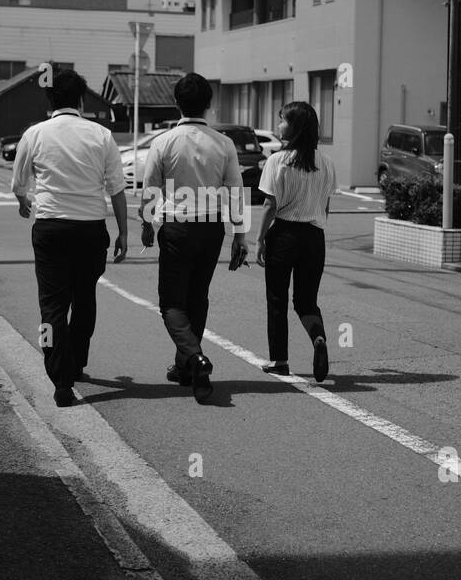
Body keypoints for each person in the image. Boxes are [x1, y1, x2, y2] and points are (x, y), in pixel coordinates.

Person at [11, 69, 128, 407]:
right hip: (91, 228)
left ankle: (60, 379)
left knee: (52, 306)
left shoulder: (35, 134)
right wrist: (123, 231)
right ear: (80, 99)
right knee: (85, 298)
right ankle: (76, 362)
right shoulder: (102, 135)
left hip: (50, 227)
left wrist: (24, 203)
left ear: (51, 99)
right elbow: (116, 188)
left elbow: (20, 185)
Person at [139, 72, 248, 403]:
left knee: (172, 302)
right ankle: (185, 368)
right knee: (198, 297)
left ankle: (196, 358)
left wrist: (147, 225)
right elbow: (235, 192)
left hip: (176, 227)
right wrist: (240, 235)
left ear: (176, 104)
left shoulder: (163, 142)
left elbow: (150, 189)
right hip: (211, 227)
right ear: (209, 104)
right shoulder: (223, 143)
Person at [255, 100, 335, 382]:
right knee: (306, 301)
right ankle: (318, 338)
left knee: (277, 300)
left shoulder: (277, 161)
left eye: (282, 120)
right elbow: (325, 207)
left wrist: (260, 239)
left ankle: (279, 360)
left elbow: (269, 205)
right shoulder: (325, 163)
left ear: (295, 127)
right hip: (315, 237)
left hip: (284, 235)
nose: (278, 125)